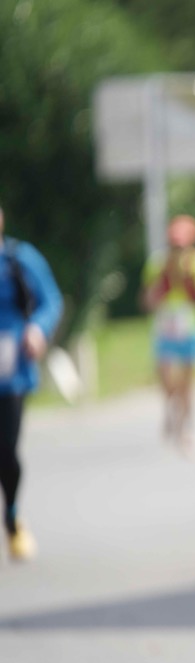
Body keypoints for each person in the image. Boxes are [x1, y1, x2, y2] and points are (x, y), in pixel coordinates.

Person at [0, 202, 64, 561]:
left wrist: (38, 329)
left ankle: (12, 516)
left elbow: (50, 300)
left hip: (10, 375)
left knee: (6, 452)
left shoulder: (19, 259)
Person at [140, 214, 195, 452]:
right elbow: (146, 300)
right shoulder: (157, 263)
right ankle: (170, 409)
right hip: (166, 329)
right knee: (166, 379)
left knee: (187, 383)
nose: (178, 250)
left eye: (181, 246)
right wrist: (161, 285)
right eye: (174, 245)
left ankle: (186, 428)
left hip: (191, 328)